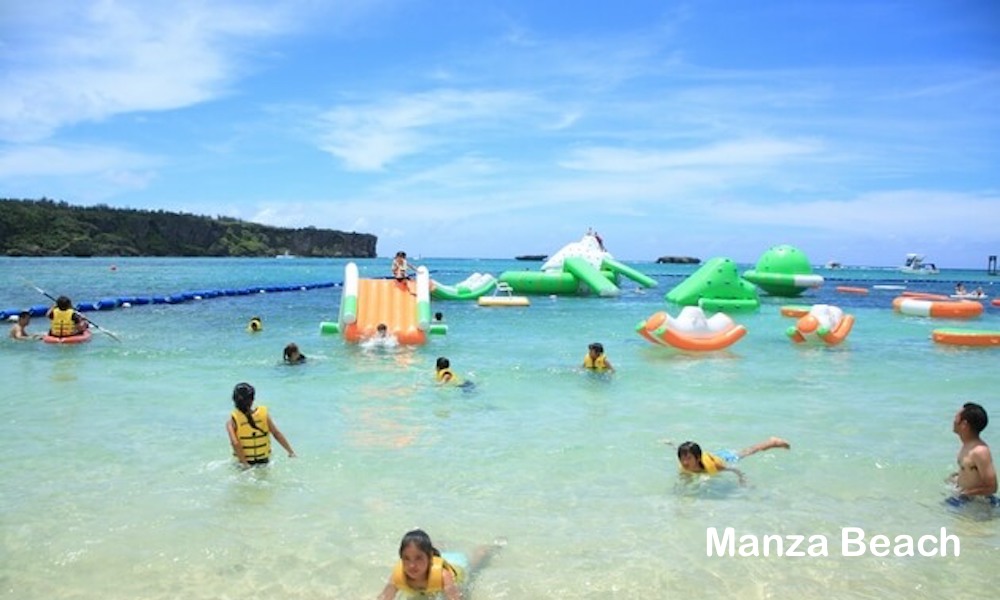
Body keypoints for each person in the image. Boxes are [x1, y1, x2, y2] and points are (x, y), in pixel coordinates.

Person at [377, 529, 501, 600]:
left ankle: (490, 548)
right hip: (437, 557)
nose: (412, 565)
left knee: (474, 567)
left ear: (430, 557)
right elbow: (384, 597)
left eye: (418, 558)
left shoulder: (443, 575)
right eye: (406, 559)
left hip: (457, 565)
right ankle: (439, 543)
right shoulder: (398, 576)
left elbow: (455, 597)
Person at [225, 382, 296, 468]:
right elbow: (276, 434)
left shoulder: (232, 421)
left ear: (234, 400)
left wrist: (245, 464)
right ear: (252, 399)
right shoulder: (263, 415)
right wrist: (290, 451)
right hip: (263, 461)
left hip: (244, 463)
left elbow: (235, 443)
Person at [674, 438, 790, 485]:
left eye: (688, 458)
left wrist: (742, 479)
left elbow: (733, 469)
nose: (685, 462)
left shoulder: (715, 466)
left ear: (698, 458)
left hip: (725, 458)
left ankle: (772, 442)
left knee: (747, 452)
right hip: (712, 456)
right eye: (682, 458)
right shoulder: (686, 465)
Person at [949, 402, 998, 506]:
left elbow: (992, 487)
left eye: (956, 418)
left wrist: (965, 494)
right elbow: (972, 472)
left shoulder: (980, 451)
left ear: (964, 424)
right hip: (968, 498)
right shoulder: (967, 446)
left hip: (978, 502)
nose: (953, 421)